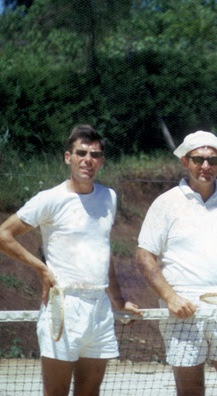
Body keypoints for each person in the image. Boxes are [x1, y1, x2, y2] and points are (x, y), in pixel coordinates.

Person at [0, 124, 141, 396]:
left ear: (102, 161)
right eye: (81, 153)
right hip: (63, 305)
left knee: (89, 393)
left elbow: (103, 252)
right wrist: (41, 269)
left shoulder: (108, 197)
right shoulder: (49, 199)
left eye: (95, 155)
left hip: (98, 308)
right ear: (68, 157)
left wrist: (119, 300)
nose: (88, 160)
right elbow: (4, 235)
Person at [135, 130, 217, 396]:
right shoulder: (165, 203)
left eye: (212, 160)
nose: (206, 166)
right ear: (184, 161)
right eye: (198, 159)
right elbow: (144, 256)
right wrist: (170, 297)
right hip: (182, 315)